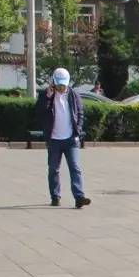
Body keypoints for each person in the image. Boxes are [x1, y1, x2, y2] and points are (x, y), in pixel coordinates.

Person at [33, 67, 90, 209]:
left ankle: (79, 197)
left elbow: (80, 113)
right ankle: (55, 197)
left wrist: (78, 130)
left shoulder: (74, 95)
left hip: (71, 139)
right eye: (58, 85)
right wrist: (47, 97)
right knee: (54, 169)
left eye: (63, 85)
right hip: (54, 139)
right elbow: (39, 112)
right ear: (54, 82)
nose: (61, 87)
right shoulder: (46, 95)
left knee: (75, 168)